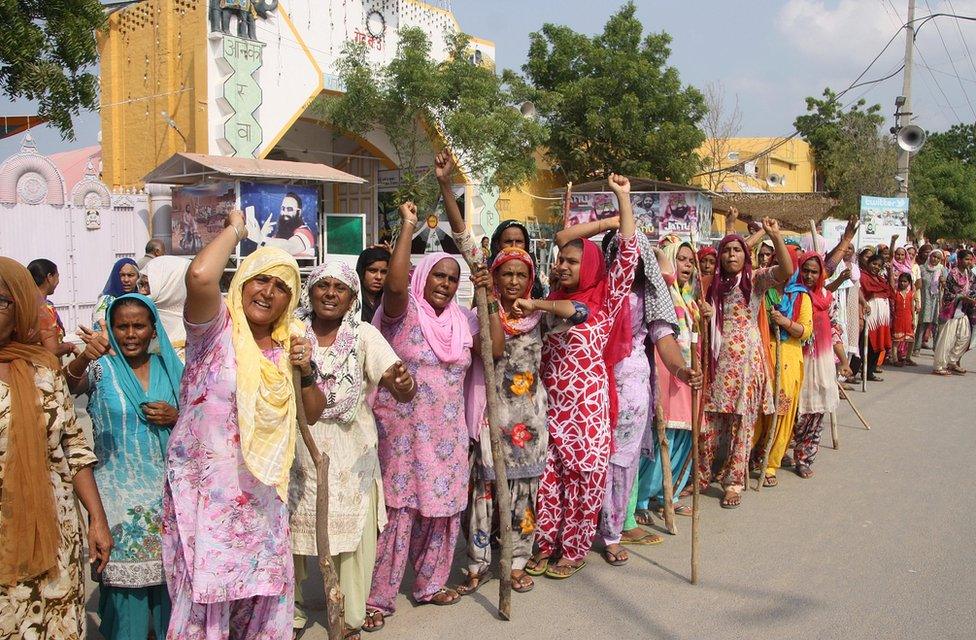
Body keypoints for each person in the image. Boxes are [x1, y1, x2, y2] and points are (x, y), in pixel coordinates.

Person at [162, 211, 326, 640]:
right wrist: (236, 228)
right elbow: (199, 276)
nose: (269, 293)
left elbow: (312, 412)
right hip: (207, 501)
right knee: (206, 606)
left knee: (261, 601)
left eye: (282, 287)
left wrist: (306, 371)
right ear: (242, 280)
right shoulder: (216, 330)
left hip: (261, 502)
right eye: (261, 280)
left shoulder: (289, 345)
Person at [363, 196, 502, 631]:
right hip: (400, 434)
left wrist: (488, 297)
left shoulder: (463, 321)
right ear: (424, 277)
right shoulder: (401, 315)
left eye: (451, 277)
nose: (444, 282)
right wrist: (407, 226)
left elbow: (494, 350)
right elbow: (396, 285)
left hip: (447, 435)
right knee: (397, 514)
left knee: (441, 513)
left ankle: (428, 584)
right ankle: (377, 598)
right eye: (438, 275)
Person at [520, 173, 638, 580]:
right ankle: (545, 544)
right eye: (561, 261)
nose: (563, 265)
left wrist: (621, 200)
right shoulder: (551, 299)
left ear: (588, 264)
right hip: (550, 410)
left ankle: (573, 550)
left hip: (588, 413)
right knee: (549, 483)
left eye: (572, 261)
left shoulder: (605, 297)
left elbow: (627, 251)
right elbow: (561, 236)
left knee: (585, 484)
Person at [290, 260, 416, 639]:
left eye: (339, 288)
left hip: (351, 448)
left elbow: (400, 385)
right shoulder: (292, 333)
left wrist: (403, 381)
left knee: (353, 535)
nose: (330, 294)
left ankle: (349, 616)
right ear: (309, 293)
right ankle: (291, 610)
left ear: (351, 298)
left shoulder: (364, 336)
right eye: (322, 286)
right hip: (300, 446)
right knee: (291, 532)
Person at [0, 257, 112, 639]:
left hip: (54, 533)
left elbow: (73, 448)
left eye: (2, 301)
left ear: (20, 308)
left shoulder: (43, 372)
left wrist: (97, 518)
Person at [66, 293, 184, 640]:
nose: (130, 334)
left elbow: (202, 420)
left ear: (153, 330)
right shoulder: (101, 368)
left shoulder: (173, 367)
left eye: (138, 326)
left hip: (169, 501)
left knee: (171, 600)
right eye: (122, 326)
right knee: (126, 610)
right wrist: (82, 359)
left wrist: (177, 417)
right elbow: (66, 388)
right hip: (117, 504)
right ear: (112, 329)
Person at [700, 219, 792, 509]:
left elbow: (787, 271)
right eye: (726, 251)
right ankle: (702, 475)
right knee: (709, 422)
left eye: (737, 251)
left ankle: (733, 483)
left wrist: (775, 235)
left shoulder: (755, 280)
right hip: (716, 363)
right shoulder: (710, 285)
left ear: (746, 255)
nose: (731, 256)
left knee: (742, 426)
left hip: (746, 364)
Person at [629, 239, 703, 533]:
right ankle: (643, 500)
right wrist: (660, 250)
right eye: (680, 259)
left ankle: (665, 492)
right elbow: (665, 272)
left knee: (684, 433)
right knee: (664, 433)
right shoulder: (663, 291)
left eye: (689, 260)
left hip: (685, 369)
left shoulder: (691, 297)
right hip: (664, 367)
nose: (686, 265)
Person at [752, 247, 812, 487]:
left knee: (782, 411)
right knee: (757, 410)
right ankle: (748, 455)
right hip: (762, 353)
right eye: (777, 261)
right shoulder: (762, 290)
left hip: (788, 357)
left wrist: (784, 321)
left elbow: (805, 330)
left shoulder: (801, 296)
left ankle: (771, 463)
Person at [792, 253, 850, 478]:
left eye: (814, 271)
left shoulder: (827, 297)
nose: (809, 275)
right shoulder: (793, 294)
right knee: (796, 411)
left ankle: (805, 457)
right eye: (805, 270)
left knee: (816, 414)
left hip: (823, 361)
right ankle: (785, 448)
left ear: (820, 274)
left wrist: (844, 361)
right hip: (798, 359)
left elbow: (834, 330)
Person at [852, 253, 894, 382]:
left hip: (881, 319)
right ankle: (857, 371)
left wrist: (890, 272)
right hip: (870, 316)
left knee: (878, 343)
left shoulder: (880, 279)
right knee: (866, 344)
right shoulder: (863, 277)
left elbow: (890, 291)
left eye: (879, 265)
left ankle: (870, 371)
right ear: (868, 263)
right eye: (874, 264)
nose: (876, 267)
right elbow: (861, 294)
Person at [933, 249, 974, 375]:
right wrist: (961, 297)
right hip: (952, 310)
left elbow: (972, 289)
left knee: (965, 337)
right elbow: (949, 293)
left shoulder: (970, 274)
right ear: (959, 260)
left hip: (963, 310)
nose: (969, 262)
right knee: (947, 339)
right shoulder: (953, 273)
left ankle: (952, 361)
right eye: (966, 259)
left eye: (970, 259)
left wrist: (971, 298)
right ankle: (939, 366)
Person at [143, 255, 191, 361]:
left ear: (171, 286)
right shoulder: (138, 320)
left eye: (148, 285)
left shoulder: (195, 332)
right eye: (141, 284)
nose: (141, 291)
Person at [27, 258, 77, 359]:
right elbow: (52, 350)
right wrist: (70, 347)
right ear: (49, 277)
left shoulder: (25, 304)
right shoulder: (44, 308)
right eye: (57, 276)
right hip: (44, 367)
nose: (58, 281)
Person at [247, 192, 316, 258]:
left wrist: (261, 238)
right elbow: (260, 253)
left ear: (299, 212)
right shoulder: (279, 235)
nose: (284, 213)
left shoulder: (305, 232)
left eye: (289, 209)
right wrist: (263, 233)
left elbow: (289, 247)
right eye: (283, 208)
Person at [488, 220, 545, 298]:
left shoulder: (534, 281)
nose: (514, 246)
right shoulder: (487, 274)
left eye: (519, 242)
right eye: (508, 242)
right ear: (498, 244)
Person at [93, 258, 139, 332]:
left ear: (138, 277)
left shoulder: (141, 299)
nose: (126, 280)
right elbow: (99, 332)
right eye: (122, 275)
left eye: (130, 275)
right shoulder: (106, 301)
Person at [915, 247, 944, 352]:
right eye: (933, 256)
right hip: (924, 298)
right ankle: (917, 347)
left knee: (936, 324)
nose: (935, 259)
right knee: (922, 323)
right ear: (930, 256)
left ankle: (936, 349)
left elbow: (946, 286)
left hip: (936, 300)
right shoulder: (922, 268)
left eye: (938, 258)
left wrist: (943, 282)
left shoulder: (942, 269)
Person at [356, 246, 391, 322]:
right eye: (372, 271)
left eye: (384, 272)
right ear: (362, 271)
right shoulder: (352, 299)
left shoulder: (389, 300)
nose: (378, 277)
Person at [892, 272, 916, 366]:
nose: (903, 283)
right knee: (896, 340)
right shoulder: (896, 293)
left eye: (905, 281)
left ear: (909, 282)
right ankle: (895, 359)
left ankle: (908, 357)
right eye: (901, 281)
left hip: (908, 318)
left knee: (910, 340)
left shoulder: (911, 294)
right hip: (898, 319)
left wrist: (913, 319)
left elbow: (912, 307)